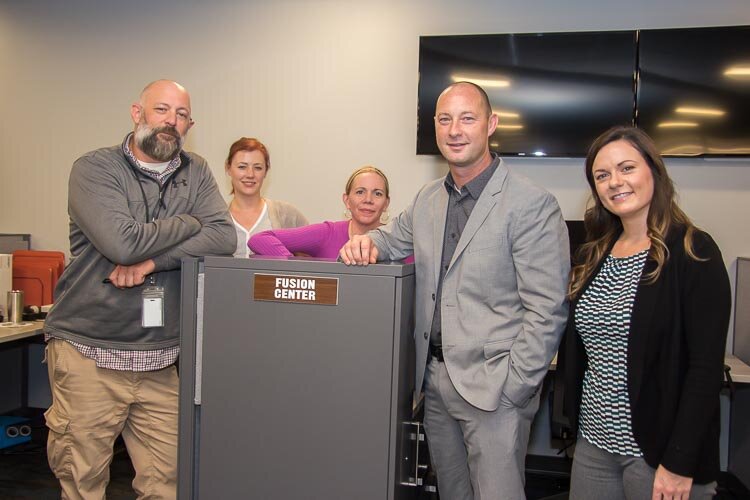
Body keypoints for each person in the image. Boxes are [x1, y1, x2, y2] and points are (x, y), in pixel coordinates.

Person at [340, 82, 569, 499]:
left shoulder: (531, 203)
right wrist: (366, 243)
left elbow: (547, 310)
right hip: (435, 383)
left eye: (467, 118)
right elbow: (392, 240)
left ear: (491, 125)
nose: (455, 130)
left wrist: (515, 387)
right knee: (451, 493)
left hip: (496, 389)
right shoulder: (428, 198)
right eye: (445, 120)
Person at [43, 79, 236, 499]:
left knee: (168, 484)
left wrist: (151, 261)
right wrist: (189, 223)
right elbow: (121, 243)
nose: (171, 122)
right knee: (83, 483)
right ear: (137, 113)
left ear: (191, 123)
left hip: (159, 359)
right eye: (161, 110)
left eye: (181, 115)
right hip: (90, 351)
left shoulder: (196, 170)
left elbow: (223, 237)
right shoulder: (95, 168)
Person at [559, 126, 731, 499]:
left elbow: (705, 369)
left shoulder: (693, 251)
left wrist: (679, 462)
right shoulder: (596, 253)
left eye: (626, 168)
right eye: (602, 176)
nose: (614, 182)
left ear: (653, 170)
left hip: (659, 455)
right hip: (594, 445)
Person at [248, 166, 391, 259]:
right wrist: (293, 268)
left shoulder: (398, 240)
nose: (368, 200)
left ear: (386, 203)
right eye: (360, 192)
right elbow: (259, 239)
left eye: (377, 194)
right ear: (347, 201)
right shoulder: (327, 233)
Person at [225, 137, 308, 257]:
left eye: (258, 168)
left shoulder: (287, 215)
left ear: (266, 171)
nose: (250, 174)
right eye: (242, 167)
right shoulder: (216, 218)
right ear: (228, 168)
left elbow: (312, 260)